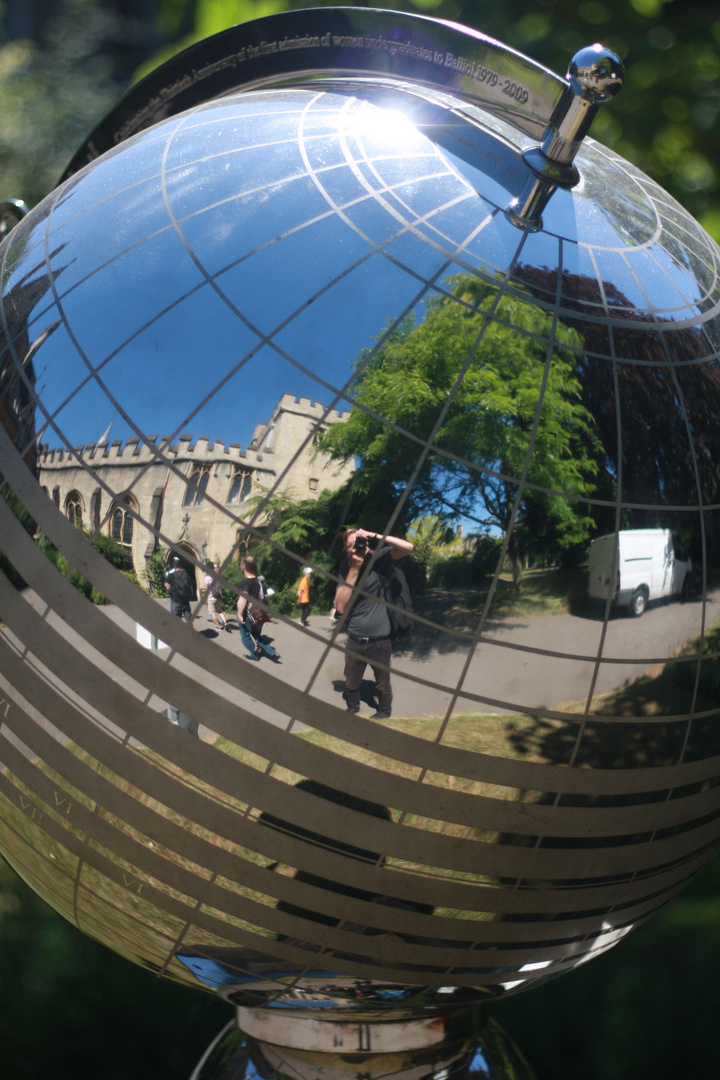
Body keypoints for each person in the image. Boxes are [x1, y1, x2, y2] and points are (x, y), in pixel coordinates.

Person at [334, 527, 413, 719]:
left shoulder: (379, 559)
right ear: (346, 548)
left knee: (382, 683)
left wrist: (374, 535)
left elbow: (408, 547)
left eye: (360, 542)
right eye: (351, 545)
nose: (356, 548)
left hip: (380, 640)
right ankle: (352, 709)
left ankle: (384, 712)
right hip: (354, 639)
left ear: (367, 543)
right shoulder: (346, 568)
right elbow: (340, 607)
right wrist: (354, 570)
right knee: (351, 683)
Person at [236, 555, 281, 663]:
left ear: (244, 566)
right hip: (260, 615)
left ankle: (255, 653)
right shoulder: (258, 582)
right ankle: (272, 652)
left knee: (245, 636)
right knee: (256, 635)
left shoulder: (246, 581)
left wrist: (239, 614)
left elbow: (243, 599)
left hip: (249, 615)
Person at [164, 556, 193, 623]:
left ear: (173, 565)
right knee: (189, 620)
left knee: (176, 620)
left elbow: (168, 587)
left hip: (176, 601)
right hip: (186, 601)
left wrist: (167, 585)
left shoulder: (171, 575)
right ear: (180, 565)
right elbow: (190, 586)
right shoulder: (186, 574)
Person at [204, 562, 228, 632]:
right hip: (218, 597)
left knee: (213, 613)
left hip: (211, 597)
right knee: (219, 610)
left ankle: (219, 627)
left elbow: (206, 589)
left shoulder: (207, 578)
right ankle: (225, 622)